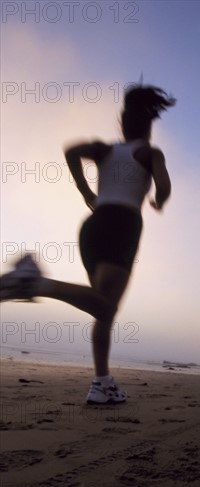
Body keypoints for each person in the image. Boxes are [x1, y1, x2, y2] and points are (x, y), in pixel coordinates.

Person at [0, 84, 175, 404]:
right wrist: (159, 199)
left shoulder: (104, 149)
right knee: (106, 306)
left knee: (101, 308)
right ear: (149, 126)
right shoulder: (150, 153)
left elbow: (70, 150)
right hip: (124, 224)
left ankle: (101, 382)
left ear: (122, 123)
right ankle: (34, 283)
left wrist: (84, 191)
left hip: (92, 228)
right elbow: (164, 187)